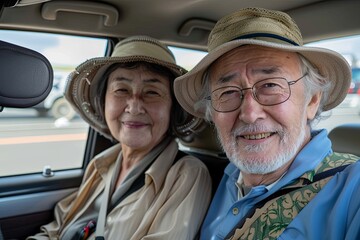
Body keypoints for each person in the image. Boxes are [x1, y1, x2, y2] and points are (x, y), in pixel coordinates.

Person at [174, 7, 360, 240]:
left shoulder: (353, 190)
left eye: (271, 85)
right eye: (228, 91)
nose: (250, 114)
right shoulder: (222, 178)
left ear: (312, 100)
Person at [27, 36, 211, 240]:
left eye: (152, 92)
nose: (134, 106)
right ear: (103, 101)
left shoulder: (186, 174)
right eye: (121, 90)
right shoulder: (102, 164)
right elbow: (58, 229)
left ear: (172, 109)